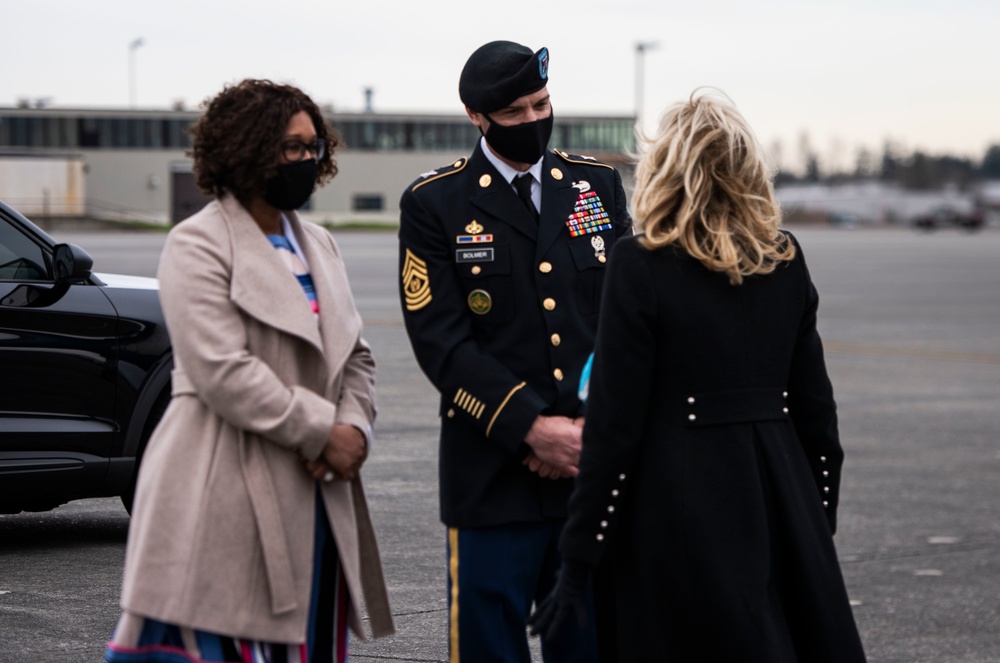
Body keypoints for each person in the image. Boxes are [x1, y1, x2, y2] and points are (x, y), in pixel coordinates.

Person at [530, 90, 868, 662]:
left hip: (672, 511)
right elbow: (818, 417)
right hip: (778, 500)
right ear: (747, 172)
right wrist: (813, 521)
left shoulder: (638, 265)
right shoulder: (784, 257)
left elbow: (613, 428)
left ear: (665, 172)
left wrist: (579, 558)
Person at [104, 79, 394, 663]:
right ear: (246, 149)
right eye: (292, 148)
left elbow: (356, 355)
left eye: (314, 147)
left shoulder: (321, 244)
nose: (308, 160)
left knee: (308, 643)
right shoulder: (197, 243)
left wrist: (354, 428)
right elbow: (221, 370)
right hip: (226, 486)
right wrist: (323, 432)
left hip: (318, 489)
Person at [397, 41, 632, 662]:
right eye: (516, 112)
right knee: (487, 648)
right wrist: (532, 428)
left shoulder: (596, 185)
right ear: (477, 117)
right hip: (492, 474)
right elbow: (441, 343)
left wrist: (582, 429)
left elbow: (624, 322)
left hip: (588, 468)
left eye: (542, 103)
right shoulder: (435, 203)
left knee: (591, 645)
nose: (534, 119)